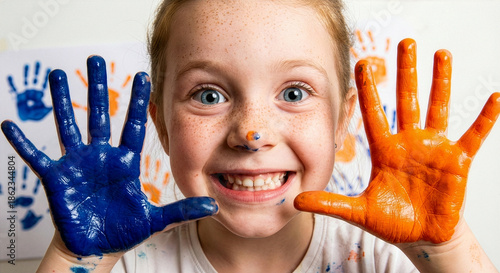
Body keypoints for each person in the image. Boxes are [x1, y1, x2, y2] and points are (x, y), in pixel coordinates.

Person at [2, 0, 499, 272]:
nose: (251, 133)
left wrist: (447, 247)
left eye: (296, 91)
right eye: (210, 95)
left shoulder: (383, 258)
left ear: (342, 120)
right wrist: (77, 259)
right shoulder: (129, 264)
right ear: (161, 125)